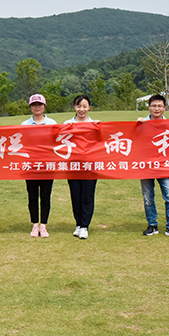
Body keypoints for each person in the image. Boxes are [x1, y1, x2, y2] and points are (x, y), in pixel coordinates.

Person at [136, 94, 169, 239]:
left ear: (165, 108)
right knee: (148, 197)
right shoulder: (141, 123)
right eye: (154, 106)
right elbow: (133, 141)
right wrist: (137, 126)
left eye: (159, 106)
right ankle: (152, 225)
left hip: (165, 166)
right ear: (149, 107)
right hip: (146, 166)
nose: (156, 109)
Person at [21, 94, 57, 238]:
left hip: (47, 166)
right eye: (34, 104)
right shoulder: (24, 125)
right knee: (32, 196)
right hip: (30, 166)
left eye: (39, 104)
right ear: (30, 107)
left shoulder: (52, 123)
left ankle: (44, 225)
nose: (37, 107)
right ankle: (35, 224)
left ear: (44, 106)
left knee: (46, 196)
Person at [64, 95, 98, 240]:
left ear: (89, 107)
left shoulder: (95, 124)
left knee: (87, 196)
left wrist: (99, 127)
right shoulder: (67, 123)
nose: (81, 109)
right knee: (76, 195)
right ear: (74, 107)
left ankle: (85, 226)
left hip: (90, 166)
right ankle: (78, 224)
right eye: (79, 106)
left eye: (84, 106)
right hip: (73, 166)